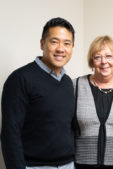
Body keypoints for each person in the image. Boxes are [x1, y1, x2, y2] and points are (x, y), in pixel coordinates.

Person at [1, 17, 76, 169]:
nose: (61, 49)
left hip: (68, 165)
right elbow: (10, 133)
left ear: (72, 47)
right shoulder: (20, 79)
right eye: (54, 41)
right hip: (34, 166)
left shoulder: (68, 82)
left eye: (67, 43)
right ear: (42, 43)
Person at [73, 35, 113, 169]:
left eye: (109, 56)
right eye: (97, 57)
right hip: (82, 164)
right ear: (92, 61)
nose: (104, 61)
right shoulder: (75, 86)